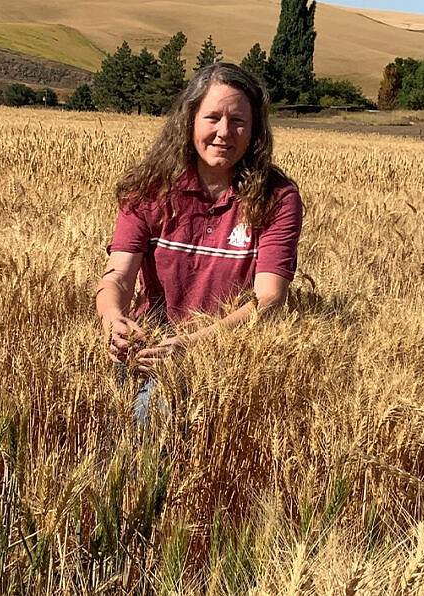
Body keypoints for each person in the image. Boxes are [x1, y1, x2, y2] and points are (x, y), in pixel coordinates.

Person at [95, 62, 303, 423]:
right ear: (189, 120)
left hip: (228, 358)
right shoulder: (147, 190)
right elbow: (117, 277)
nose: (224, 132)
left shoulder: (276, 198)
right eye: (212, 118)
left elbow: (269, 299)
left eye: (238, 120)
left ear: (254, 131)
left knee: (150, 419)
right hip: (149, 349)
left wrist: (193, 344)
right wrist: (113, 319)